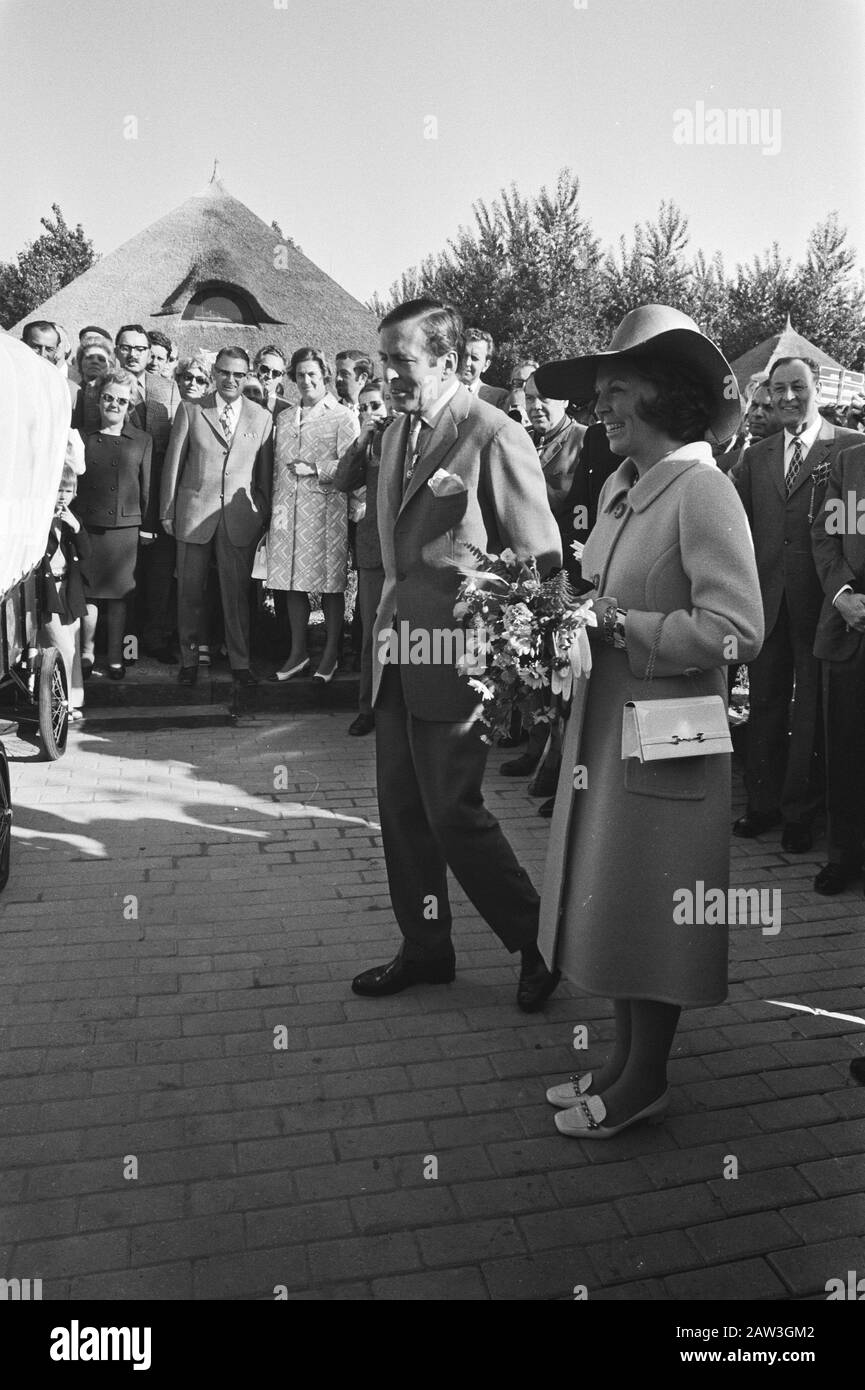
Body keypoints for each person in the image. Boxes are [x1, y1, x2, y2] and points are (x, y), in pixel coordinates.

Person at [535, 304, 764, 1138]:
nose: (600, 406)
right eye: (598, 392)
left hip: (673, 730)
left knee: (659, 903)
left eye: (615, 388)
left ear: (664, 396)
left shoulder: (703, 492)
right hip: (611, 726)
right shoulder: (620, 485)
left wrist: (616, 627)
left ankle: (646, 1081)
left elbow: (737, 629)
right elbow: (598, 595)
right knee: (622, 899)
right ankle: (624, 1065)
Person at [350, 298, 563, 1012]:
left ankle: (537, 940)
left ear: (446, 358)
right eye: (383, 360)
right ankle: (426, 947)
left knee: (452, 813)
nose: (387, 375)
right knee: (402, 811)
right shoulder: (391, 434)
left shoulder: (493, 434)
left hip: (456, 658)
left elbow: (539, 562)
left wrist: (510, 661)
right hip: (393, 655)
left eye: (400, 361)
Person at [730, 358, 860, 851]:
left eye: (797, 387)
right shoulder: (757, 455)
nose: (787, 398)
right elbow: (734, 523)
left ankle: (801, 813)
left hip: (824, 604)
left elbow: (850, 529)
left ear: (817, 388)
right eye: (778, 388)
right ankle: (760, 805)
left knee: (810, 708)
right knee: (763, 705)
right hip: (765, 601)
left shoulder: (847, 447)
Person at [161, 345, 273, 688]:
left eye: (239, 374)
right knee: (190, 592)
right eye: (224, 372)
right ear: (215, 373)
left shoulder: (261, 416)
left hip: (239, 519)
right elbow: (173, 464)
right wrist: (167, 511)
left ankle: (240, 662)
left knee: (237, 594)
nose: (231, 380)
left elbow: (264, 476)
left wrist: (262, 515)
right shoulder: (192, 409)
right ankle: (190, 659)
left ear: (247, 375)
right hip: (194, 514)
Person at [501, 375, 587, 790]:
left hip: (566, 573)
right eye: (530, 398)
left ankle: (561, 764)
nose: (536, 405)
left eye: (545, 397)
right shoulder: (522, 440)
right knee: (531, 667)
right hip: (527, 572)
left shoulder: (586, 440)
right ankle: (536, 748)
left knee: (562, 672)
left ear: (566, 399)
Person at [266, 347, 359, 682]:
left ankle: (331, 653)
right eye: (301, 375)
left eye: (312, 375)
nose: (306, 381)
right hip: (286, 513)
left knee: (330, 585)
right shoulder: (285, 418)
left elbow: (352, 466)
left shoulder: (343, 416)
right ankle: (298, 651)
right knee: (291, 584)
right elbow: (276, 468)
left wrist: (315, 468)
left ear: (324, 377)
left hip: (324, 510)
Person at [75, 369, 155, 680]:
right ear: (98, 400)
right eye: (108, 398)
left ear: (130, 405)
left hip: (125, 529)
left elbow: (148, 487)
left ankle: (118, 657)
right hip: (89, 525)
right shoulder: (82, 437)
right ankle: (86, 652)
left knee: (121, 595)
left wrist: (148, 527)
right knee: (91, 593)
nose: (114, 404)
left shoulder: (142, 440)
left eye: (121, 400)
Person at [810, 440, 865, 894]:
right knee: (845, 749)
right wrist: (843, 596)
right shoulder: (851, 462)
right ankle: (844, 857)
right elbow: (826, 537)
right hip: (853, 629)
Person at [334, 377, 392, 735]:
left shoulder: (411, 435)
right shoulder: (369, 443)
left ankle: (399, 707)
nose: (370, 412)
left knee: (407, 635)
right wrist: (361, 440)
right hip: (374, 550)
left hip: (408, 551)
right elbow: (343, 482)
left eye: (376, 405)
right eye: (363, 407)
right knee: (373, 632)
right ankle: (367, 708)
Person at [37, 458, 91, 721]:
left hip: (69, 590)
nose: (62, 496)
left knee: (73, 643)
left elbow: (87, 552)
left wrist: (76, 527)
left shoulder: (72, 519)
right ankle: (62, 704)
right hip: (49, 591)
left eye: (68, 491)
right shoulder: (39, 519)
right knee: (62, 648)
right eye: (59, 489)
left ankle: (73, 701)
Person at [71, 340, 114, 437]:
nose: (95, 361)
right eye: (89, 358)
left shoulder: (116, 394)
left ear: (110, 365)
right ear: (80, 362)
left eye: (101, 359)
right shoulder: (72, 392)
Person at [458, 327, 508, 409]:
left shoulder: (499, 398)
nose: (467, 363)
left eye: (474, 358)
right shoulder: (439, 391)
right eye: (464, 356)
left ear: (486, 365)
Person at [254, 345, 289, 415]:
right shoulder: (238, 400)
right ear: (256, 367)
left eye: (276, 373)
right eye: (265, 369)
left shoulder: (288, 410)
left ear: (281, 377)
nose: (269, 376)